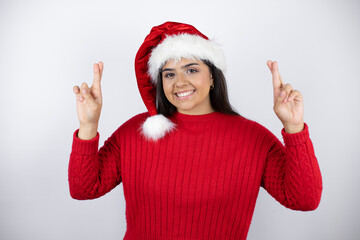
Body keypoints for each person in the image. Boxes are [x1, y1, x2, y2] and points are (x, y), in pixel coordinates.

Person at [69, 22, 323, 240]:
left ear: (212, 76)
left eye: (191, 70)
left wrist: (294, 127)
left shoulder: (254, 139)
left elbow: (304, 199)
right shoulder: (136, 132)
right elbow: (84, 188)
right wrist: (89, 125)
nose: (180, 82)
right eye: (169, 74)